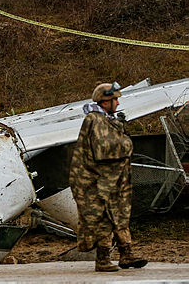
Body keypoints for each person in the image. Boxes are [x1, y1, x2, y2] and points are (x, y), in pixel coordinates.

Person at [69, 82, 148, 272]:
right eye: (115, 100)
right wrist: (126, 141)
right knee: (104, 219)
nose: (118, 104)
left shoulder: (107, 119)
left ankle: (126, 254)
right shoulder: (95, 120)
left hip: (113, 180)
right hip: (98, 181)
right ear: (105, 102)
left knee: (119, 216)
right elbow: (105, 149)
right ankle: (102, 259)